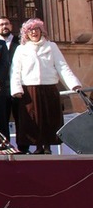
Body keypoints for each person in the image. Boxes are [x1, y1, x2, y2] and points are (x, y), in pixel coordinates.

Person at [10, 18, 83, 154]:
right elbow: (15, 70)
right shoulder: (21, 49)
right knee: (33, 118)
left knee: (50, 117)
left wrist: (74, 84)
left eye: (36, 29)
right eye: (30, 30)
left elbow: (62, 66)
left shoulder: (51, 46)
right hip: (29, 89)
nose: (34, 32)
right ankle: (38, 146)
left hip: (49, 87)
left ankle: (48, 146)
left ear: (41, 31)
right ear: (26, 33)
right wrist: (16, 89)